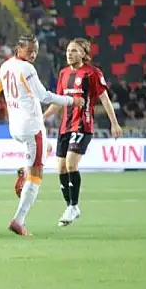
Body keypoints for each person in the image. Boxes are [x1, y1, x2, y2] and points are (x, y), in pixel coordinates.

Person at [0, 34, 84, 236]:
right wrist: (72, 101)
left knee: (47, 148)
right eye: (29, 51)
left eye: (35, 51)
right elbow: (44, 96)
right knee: (37, 174)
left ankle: (25, 170)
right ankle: (18, 220)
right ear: (19, 49)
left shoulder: (7, 65)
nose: (33, 54)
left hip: (15, 127)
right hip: (32, 127)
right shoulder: (27, 68)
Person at [42, 38, 122, 227]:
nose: (69, 54)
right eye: (68, 51)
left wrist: (114, 123)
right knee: (61, 167)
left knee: (71, 163)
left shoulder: (92, 73)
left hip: (82, 125)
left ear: (84, 54)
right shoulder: (63, 73)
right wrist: (42, 117)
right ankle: (70, 207)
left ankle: (73, 206)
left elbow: (104, 98)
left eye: (74, 51)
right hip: (65, 127)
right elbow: (58, 102)